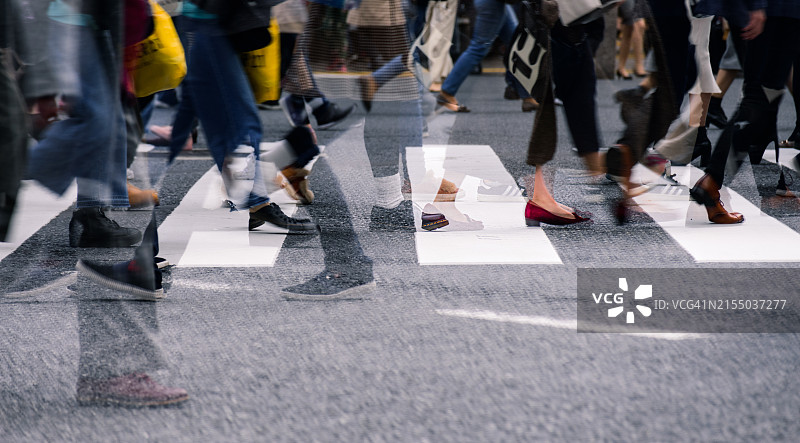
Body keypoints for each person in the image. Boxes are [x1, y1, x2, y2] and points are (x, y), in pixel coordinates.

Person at [436, 0, 539, 113]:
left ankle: (525, 96)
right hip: (492, 3)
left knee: (516, 45)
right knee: (479, 47)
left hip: (497, 3)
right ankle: (447, 91)